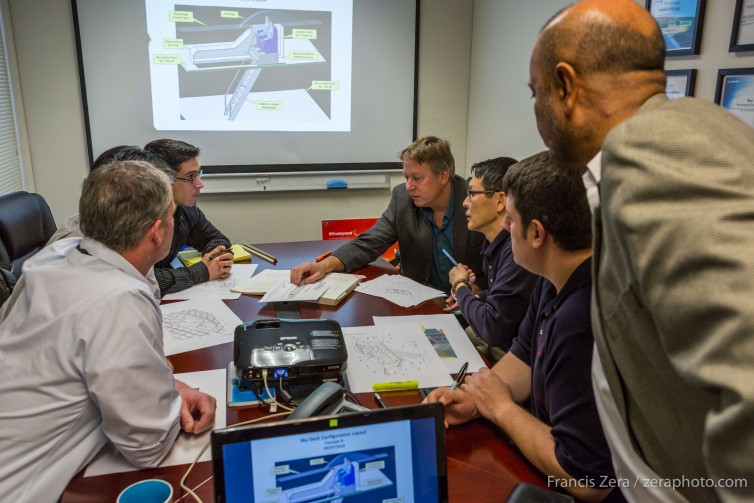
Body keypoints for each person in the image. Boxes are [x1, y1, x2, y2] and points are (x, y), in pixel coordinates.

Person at [530, 1, 754, 501]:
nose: (536, 108)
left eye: (536, 92)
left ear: (565, 87)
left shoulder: (651, 153)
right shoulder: (686, 135)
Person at [0, 161, 217, 502]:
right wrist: (170, 400)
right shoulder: (120, 298)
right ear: (157, 232)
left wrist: (168, 385)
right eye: (173, 216)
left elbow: (66, 360)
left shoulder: (55, 256)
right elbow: (147, 446)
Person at [427, 152, 620, 502]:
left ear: (536, 233)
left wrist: (500, 408)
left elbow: (589, 481)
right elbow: (523, 358)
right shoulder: (553, 279)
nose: (504, 226)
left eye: (511, 219)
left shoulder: (584, 318)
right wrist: (473, 401)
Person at [291, 136, 486, 293]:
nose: (409, 186)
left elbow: (499, 263)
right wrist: (324, 266)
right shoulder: (403, 198)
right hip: (421, 300)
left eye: (417, 178)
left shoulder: (476, 200)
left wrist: (479, 291)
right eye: (406, 177)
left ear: (443, 176)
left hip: (470, 304)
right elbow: (369, 243)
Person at [444, 157, 538, 361]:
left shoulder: (516, 252)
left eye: (472, 194)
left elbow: (492, 328)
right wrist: (476, 294)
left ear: (500, 201)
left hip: (514, 356)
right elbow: (504, 299)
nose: (464, 203)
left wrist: (460, 286)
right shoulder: (492, 244)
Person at [144, 139, 234, 295]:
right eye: (191, 177)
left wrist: (217, 260)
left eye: (198, 174)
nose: (200, 183)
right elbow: (145, 278)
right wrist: (202, 271)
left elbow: (217, 240)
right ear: (164, 180)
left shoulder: (186, 210)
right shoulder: (136, 216)